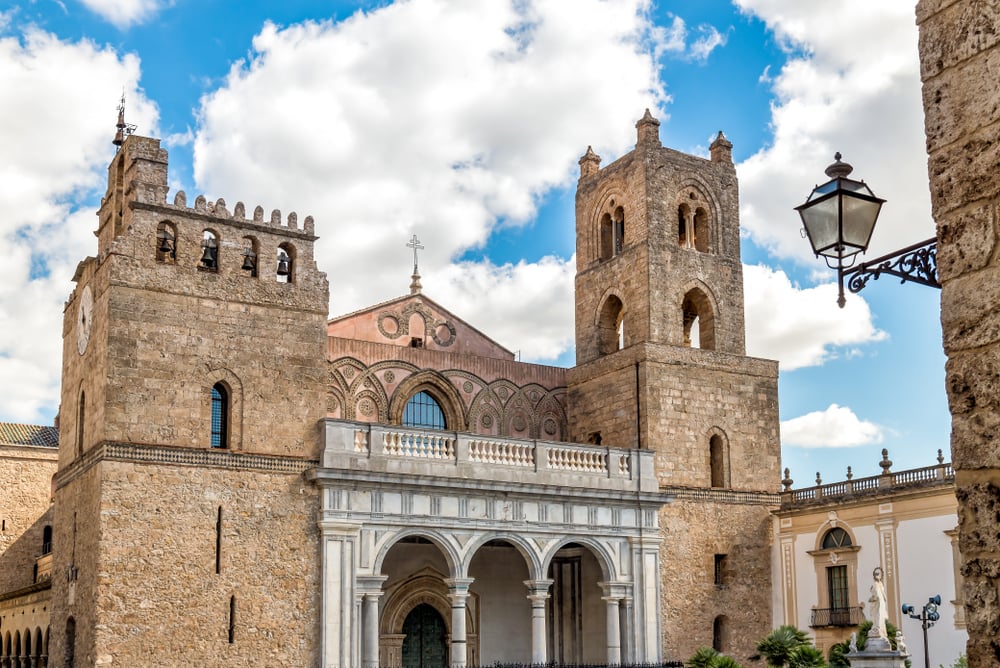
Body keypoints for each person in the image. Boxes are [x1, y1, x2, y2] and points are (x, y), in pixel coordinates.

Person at [869, 566, 889, 639]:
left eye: (878, 574)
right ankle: (876, 626)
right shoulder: (875, 584)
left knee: (880, 614)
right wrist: (873, 598)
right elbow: (874, 594)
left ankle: (879, 627)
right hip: (877, 602)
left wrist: (884, 598)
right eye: (876, 574)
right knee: (876, 614)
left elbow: (883, 593)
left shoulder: (880, 584)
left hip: (880, 602)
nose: (877, 576)